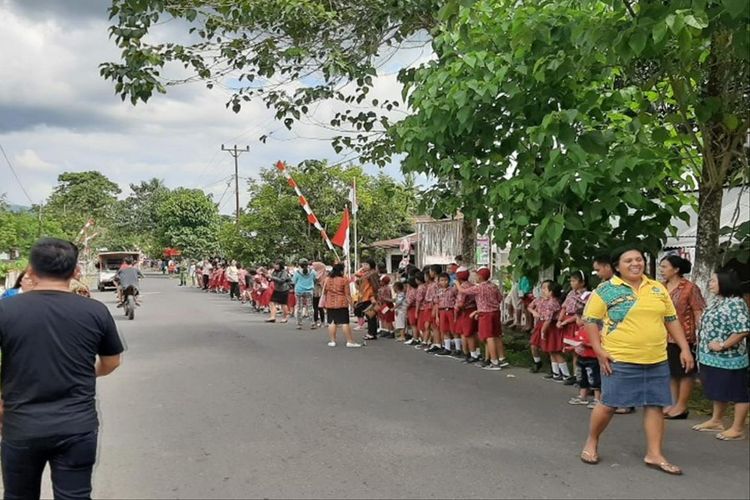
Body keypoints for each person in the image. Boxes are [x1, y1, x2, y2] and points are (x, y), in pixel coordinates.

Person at [0, 238, 124, 498]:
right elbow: (112, 361)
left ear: (31, 270)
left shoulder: (5, 309)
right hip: (76, 427)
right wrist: (84, 372)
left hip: (21, 425)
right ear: (75, 271)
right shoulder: (95, 311)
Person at [580, 246, 694, 475]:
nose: (635, 264)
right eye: (628, 260)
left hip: (656, 358)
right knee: (609, 404)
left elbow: (671, 319)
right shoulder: (605, 290)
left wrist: (684, 348)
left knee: (655, 404)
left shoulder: (657, 288)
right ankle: (591, 441)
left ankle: (654, 453)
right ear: (617, 266)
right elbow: (590, 320)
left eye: (639, 259)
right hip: (620, 358)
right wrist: (599, 351)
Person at [691, 269, 749, 441]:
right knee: (718, 389)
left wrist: (723, 345)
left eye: (713, 281)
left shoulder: (736, 303)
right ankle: (716, 420)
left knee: (738, 393)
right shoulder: (719, 301)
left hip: (729, 358)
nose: (710, 284)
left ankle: (737, 428)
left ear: (724, 283)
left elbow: (743, 330)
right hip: (711, 357)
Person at [658, 255, 705, 419]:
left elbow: (698, 310)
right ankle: (673, 402)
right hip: (663, 336)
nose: (661, 270)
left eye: (664, 267)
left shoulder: (689, 288)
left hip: (684, 336)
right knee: (671, 371)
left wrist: (701, 334)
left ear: (676, 269)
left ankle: (682, 405)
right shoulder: (660, 287)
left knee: (685, 372)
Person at [592, 254, 635, 416]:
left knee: (624, 369)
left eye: (598, 269)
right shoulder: (604, 286)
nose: (596, 273)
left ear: (609, 267)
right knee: (609, 368)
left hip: (623, 335)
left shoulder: (626, 287)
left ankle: (626, 402)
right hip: (607, 334)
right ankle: (609, 400)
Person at [457, 267, 508, 370]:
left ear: (480, 277)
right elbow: (499, 298)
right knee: (497, 335)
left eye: (476, 275)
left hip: (485, 314)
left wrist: (457, 283)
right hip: (496, 312)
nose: (475, 277)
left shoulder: (479, 288)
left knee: (488, 337)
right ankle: (501, 358)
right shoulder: (493, 286)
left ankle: (494, 362)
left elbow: (463, 290)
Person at [529, 280, 570, 381]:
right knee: (551, 350)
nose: (542, 290)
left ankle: (566, 374)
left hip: (551, 328)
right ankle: (556, 373)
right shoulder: (543, 300)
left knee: (556, 351)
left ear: (551, 292)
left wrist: (542, 331)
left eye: (544, 289)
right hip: (547, 326)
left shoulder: (552, 303)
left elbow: (548, 320)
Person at [557, 271, 589, 385]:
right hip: (567, 323)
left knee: (579, 350)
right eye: (571, 280)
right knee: (572, 351)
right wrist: (560, 320)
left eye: (574, 280)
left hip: (577, 323)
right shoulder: (571, 293)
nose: (571, 283)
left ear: (582, 282)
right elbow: (564, 307)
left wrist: (566, 321)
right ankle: (575, 374)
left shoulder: (587, 295)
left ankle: (580, 376)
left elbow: (580, 313)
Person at [567, 304, 601, 409]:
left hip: (592, 358)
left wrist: (586, 344)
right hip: (582, 357)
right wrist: (571, 347)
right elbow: (578, 342)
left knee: (594, 379)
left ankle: (597, 399)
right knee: (582, 378)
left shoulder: (595, 330)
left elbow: (598, 344)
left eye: (577, 318)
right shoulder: (581, 330)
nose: (576, 320)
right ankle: (582, 396)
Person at [324, 263, 361, 348]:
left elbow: (325, 291)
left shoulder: (327, 279)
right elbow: (347, 294)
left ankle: (332, 341)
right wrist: (352, 305)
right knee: (345, 322)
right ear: (341, 270)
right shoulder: (344, 280)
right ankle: (349, 341)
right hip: (342, 303)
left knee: (332, 322)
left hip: (330, 303)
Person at [455, 267, 481, 363]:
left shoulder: (463, 286)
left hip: (466, 311)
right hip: (474, 309)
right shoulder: (472, 284)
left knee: (468, 334)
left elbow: (461, 303)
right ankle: (477, 352)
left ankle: (472, 354)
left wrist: (459, 310)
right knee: (474, 332)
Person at [434, 272, 460, 357]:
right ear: (438, 282)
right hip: (442, 311)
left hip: (450, 310)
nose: (444, 282)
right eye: (441, 280)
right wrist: (437, 316)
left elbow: (457, 299)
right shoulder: (438, 291)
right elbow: (437, 303)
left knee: (454, 330)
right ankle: (447, 348)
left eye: (445, 280)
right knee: (444, 330)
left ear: (449, 281)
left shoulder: (452, 289)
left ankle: (458, 348)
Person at [354, 260, 380, 340]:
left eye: (366, 264)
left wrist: (374, 296)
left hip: (370, 296)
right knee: (369, 316)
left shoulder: (373, 273)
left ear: (371, 265)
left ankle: (371, 333)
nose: (364, 266)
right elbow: (356, 274)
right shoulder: (366, 273)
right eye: (363, 264)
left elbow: (375, 286)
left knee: (370, 315)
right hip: (365, 296)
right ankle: (371, 332)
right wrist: (362, 268)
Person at [292, 258, 317, 330]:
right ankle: (312, 323)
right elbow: (315, 279)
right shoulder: (312, 272)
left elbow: (294, 281)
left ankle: (299, 324)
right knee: (310, 307)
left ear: (299, 265)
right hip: (309, 291)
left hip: (299, 291)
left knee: (299, 307)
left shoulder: (297, 273)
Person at [312, 262, 327, 328]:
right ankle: (322, 322)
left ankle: (317, 322)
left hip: (315, 292)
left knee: (316, 308)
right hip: (320, 292)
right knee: (319, 308)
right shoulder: (324, 275)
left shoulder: (312, 274)